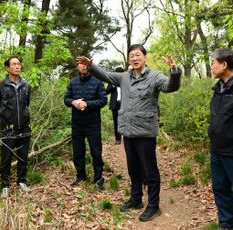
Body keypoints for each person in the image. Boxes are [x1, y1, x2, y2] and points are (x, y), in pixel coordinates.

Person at [76, 44, 182, 221]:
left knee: (150, 171)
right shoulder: (124, 77)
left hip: (146, 132)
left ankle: (154, 205)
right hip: (128, 131)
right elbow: (105, 75)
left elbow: (170, 87)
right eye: (131, 55)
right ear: (128, 59)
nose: (134, 58)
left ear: (145, 57)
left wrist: (174, 71)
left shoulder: (155, 76)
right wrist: (91, 65)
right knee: (133, 169)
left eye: (138, 55)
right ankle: (136, 199)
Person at [64, 61, 107, 191]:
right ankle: (80, 176)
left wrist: (87, 104)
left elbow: (103, 100)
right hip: (77, 123)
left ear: (89, 65)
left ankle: (98, 178)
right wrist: (74, 102)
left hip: (92, 122)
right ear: (78, 66)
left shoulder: (98, 82)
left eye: (85, 64)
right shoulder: (73, 82)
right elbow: (66, 99)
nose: (83, 66)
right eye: (80, 64)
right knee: (78, 151)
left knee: (96, 151)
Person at [0, 56, 32, 198]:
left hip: (24, 127)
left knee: (23, 156)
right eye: (14, 64)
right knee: (6, 157)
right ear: (7, 68)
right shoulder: (0, 85)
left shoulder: (26, 85)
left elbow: (26, 104)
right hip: (7, 128)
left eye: (19, 64)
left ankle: (22, 181)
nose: (17, 66)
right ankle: (5, 184)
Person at [209, 48, 233, 230]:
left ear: (224, 64)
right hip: (216, 149)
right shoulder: (218, 89)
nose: (211, 67)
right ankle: (225, 224)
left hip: (231, 151)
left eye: (213, 63)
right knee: (220, 188)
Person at [106, 67, 124, 145]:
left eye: (120, 74)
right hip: (115, 104)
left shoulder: (126, 81)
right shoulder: (111, 82)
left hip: (125, 104)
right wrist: (113, 86)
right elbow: (106, 92)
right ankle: (118, 139)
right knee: (116, 122)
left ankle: (127, 137)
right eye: (117, 74)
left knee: (126, 121)